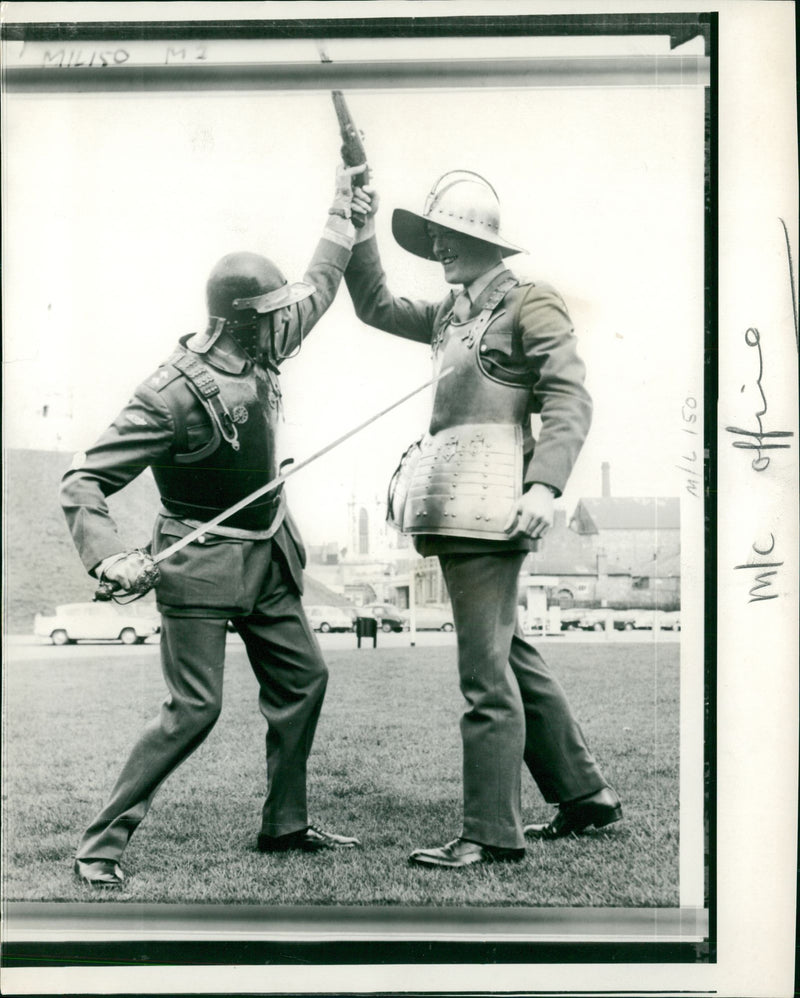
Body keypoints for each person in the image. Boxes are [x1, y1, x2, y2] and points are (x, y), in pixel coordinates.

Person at [60, 163, 370, 888]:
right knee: (194, 709)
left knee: (305, 681)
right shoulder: (167, 396)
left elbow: (319, 286)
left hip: (269, 557)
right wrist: (108, 559)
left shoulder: (261, 342)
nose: (282, 324)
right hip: (198, 566)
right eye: (270, 316)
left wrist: (342, 208)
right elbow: (83, 480)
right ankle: (99, 846)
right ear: (240, 318)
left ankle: (285, 827)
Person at [343, 171, 622, 868]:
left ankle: (491, 833)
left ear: (485, 241)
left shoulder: (532, 302)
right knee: (508, 653)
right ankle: (584, 795)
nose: (439, 248)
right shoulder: (451, 313)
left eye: (450, 236)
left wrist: (544, 488)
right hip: (455, 502)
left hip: (493, 505)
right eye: (433, 237)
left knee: (484, 675)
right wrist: (357, 228)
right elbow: (375, 304)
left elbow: (569, 397)